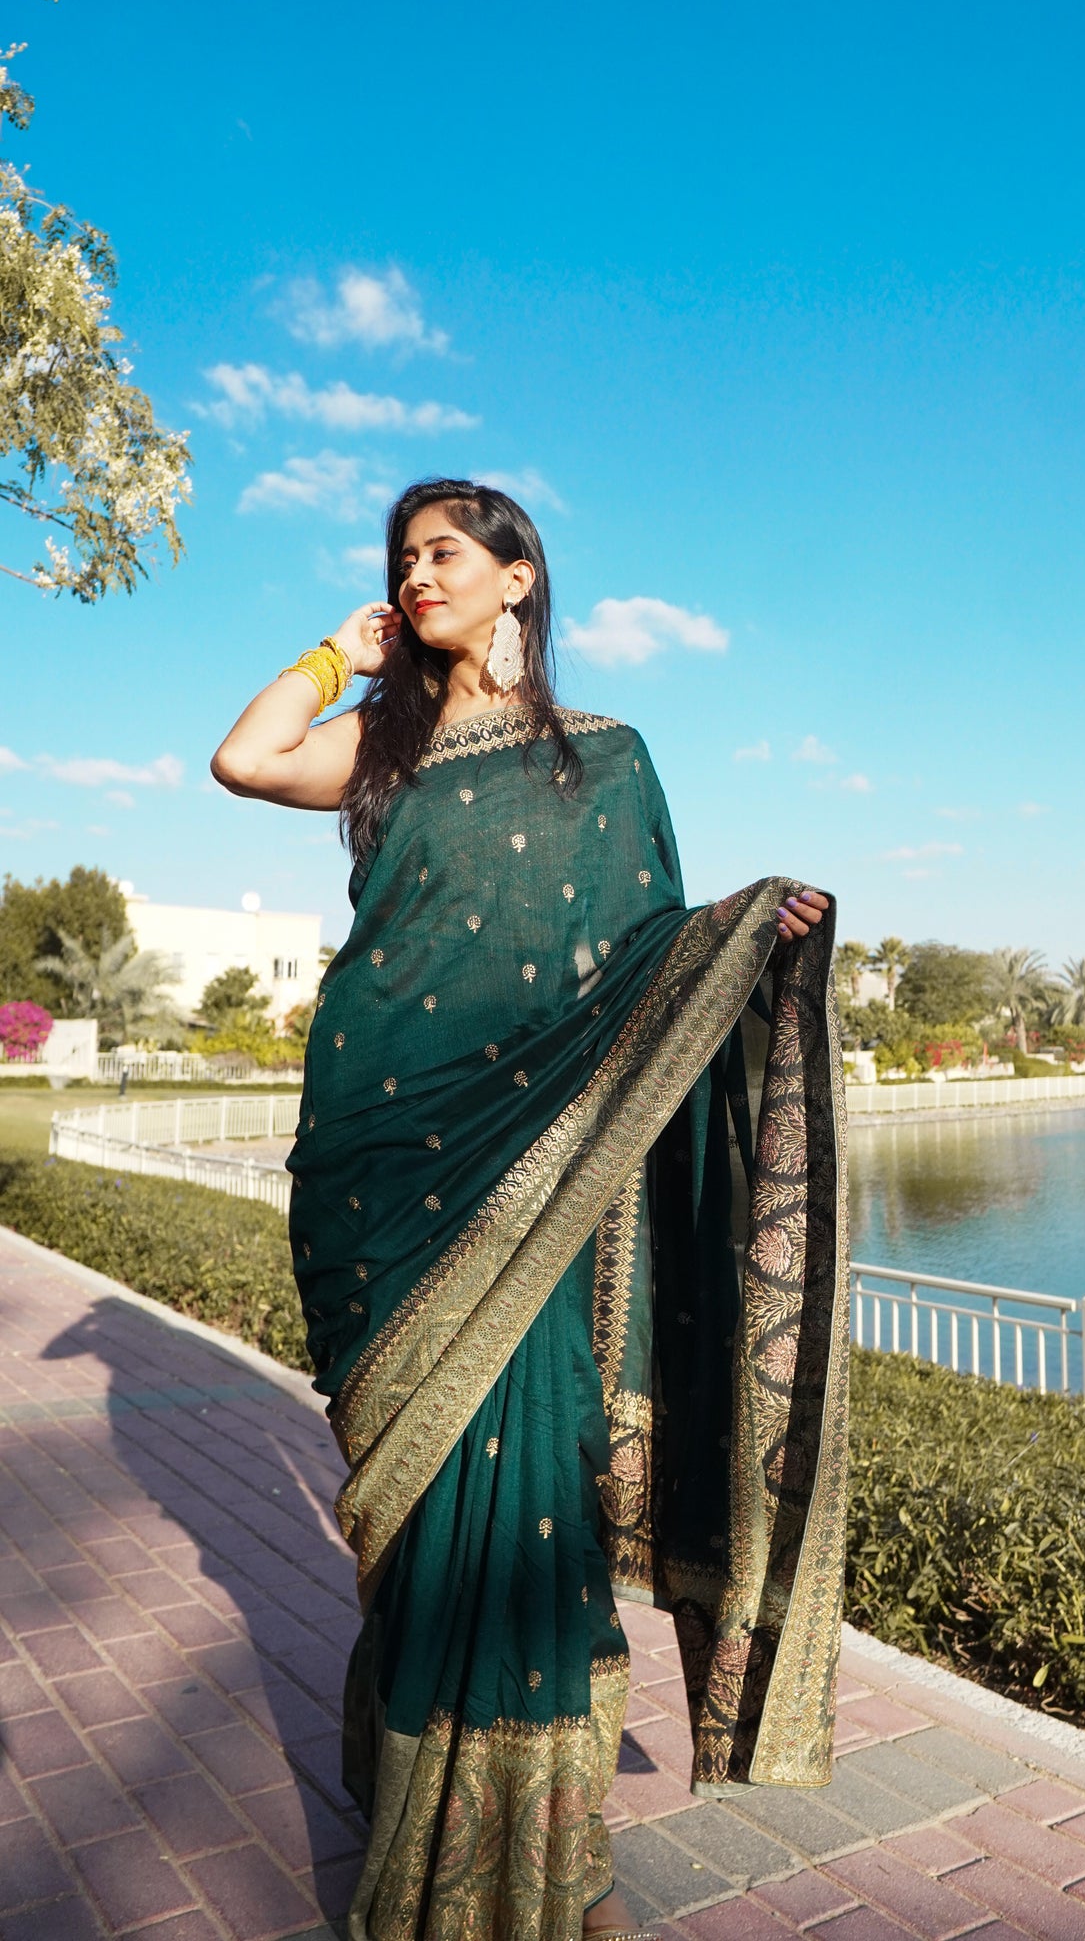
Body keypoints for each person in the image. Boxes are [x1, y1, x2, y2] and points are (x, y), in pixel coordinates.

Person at [212, 480, 848, 1941]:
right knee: (423, 1490)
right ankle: (417, 1782)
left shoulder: (610, 760)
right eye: (400, 560)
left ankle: (509, 1859)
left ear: (518, 576)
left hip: (531, 1174)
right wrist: (340, 652)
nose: (417, 575)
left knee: (520, 1480)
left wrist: (742, 935)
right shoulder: (383, 745)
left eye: (443, 554)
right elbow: (241, 761)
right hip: (379, 1152)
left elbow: (641, 968)